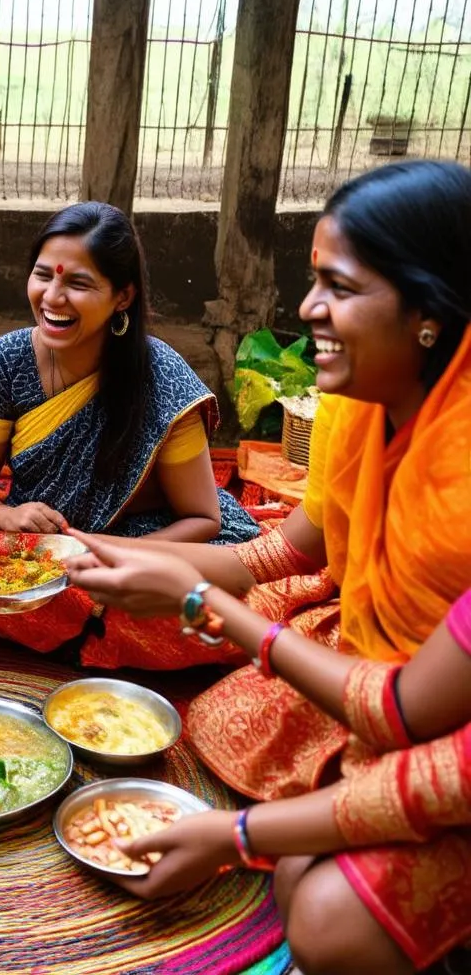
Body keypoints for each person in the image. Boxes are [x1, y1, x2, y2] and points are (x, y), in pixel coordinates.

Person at [83, 159, 471, 801]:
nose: (306, 308)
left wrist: (201, 601)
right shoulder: (352, 405)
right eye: (314, 280)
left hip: (422, 701)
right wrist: (116, 552)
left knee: (314, 889)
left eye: (338, 288)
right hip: (357, 644)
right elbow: (294, 546)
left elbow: (410, 705)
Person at [65, 531, 471, 975]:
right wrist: (115, 556)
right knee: (292, 854)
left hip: (417, 711)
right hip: (389, 670)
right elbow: (279, 552)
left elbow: (417, 729)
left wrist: (237, 835)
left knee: (327, 916)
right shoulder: (360, 460)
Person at [0, 201, 258, 669]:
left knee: (214, 611)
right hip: (39, 543)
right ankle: (32, 620)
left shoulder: (161, 376)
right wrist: (5, 515)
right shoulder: (8, 361)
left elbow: (202, 519)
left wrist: (102, 556)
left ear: (122, 297)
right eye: (43, 275)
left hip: (145, 542)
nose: (53, 297)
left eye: (78, 283)